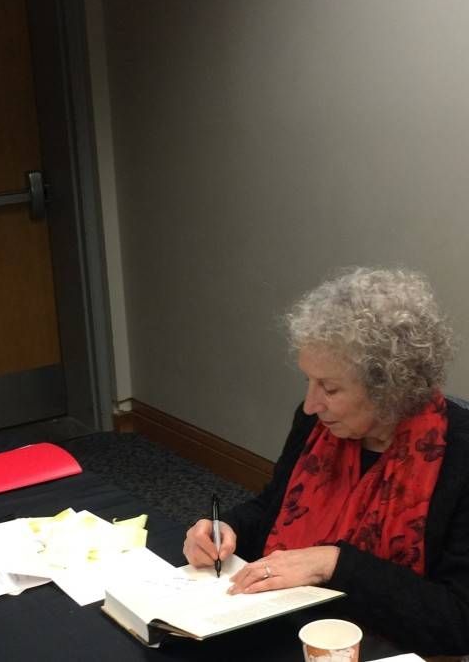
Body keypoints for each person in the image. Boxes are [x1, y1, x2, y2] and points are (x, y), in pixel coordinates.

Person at [182, 268, 469, 655]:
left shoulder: (458, 455)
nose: (311, 404)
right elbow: (272, 507)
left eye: (330, 388)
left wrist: (334, 564)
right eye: (309, 381)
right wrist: (224, 529)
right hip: (290, 624)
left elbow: (456, 621)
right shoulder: (318, 425)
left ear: (389, 387)